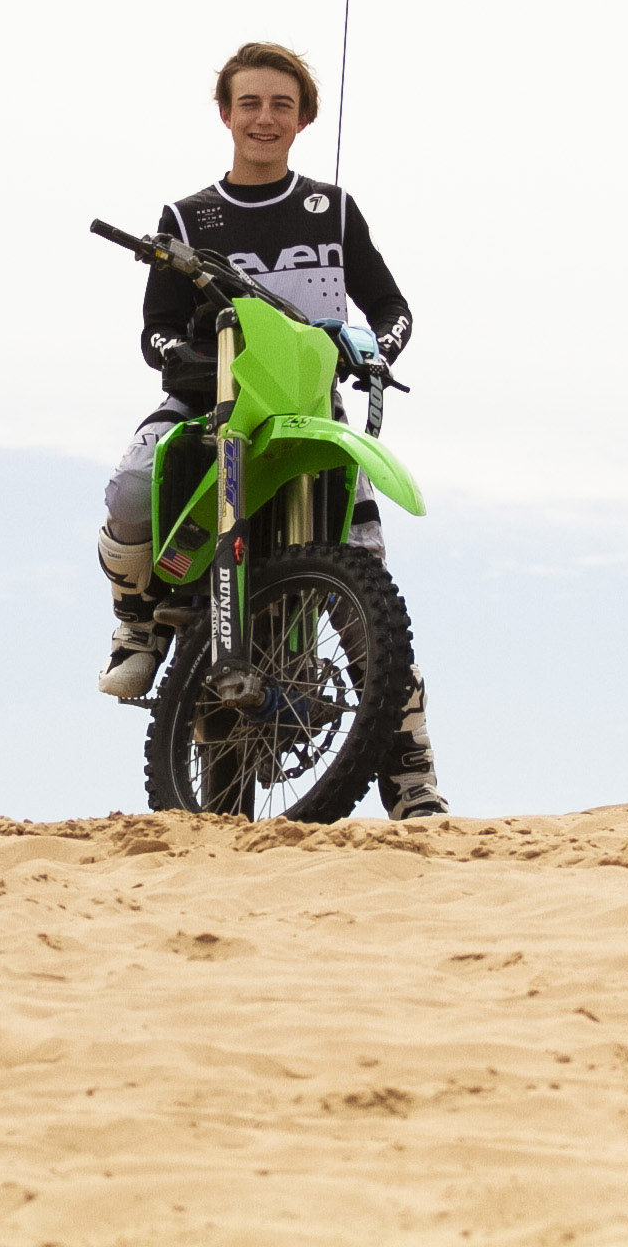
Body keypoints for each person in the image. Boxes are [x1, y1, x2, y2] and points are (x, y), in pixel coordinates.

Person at [97, 41, 445, 819]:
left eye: (280, 105)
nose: (264, 118)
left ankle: (412, 779)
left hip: (312, 415)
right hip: (211, 404)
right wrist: (187, 359)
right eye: (249, 103)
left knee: (366, 582)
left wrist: (372, 348)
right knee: (128, 487)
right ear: (225, 113)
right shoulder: (188, 217)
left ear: (304, 118)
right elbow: (152, 330)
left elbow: (392, 307)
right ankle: (136, 625)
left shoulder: (333, 208)